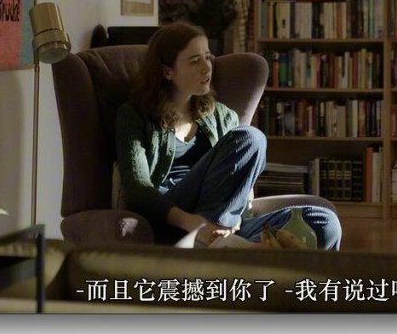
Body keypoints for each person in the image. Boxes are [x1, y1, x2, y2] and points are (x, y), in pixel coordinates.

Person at [115, 22, 341, 249]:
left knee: (324, 223)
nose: (207, 68)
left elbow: (241, 188)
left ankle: (232, 247)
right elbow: (138, 190)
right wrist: (196, 224)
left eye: (207, 57)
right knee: (250, 138)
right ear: (167, 71)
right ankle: (225, 245)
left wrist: (236, 218)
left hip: (223, 225)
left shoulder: (222, 116)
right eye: (195, 61)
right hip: (173, 220)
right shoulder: (134, 115)